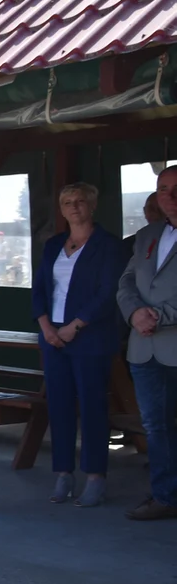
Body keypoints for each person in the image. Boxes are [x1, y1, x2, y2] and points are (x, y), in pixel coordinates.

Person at [31, 183, 121, 507]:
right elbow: (39, 288)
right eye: (67, 202)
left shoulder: (108, 245)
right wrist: (46, 326)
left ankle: (95, 475)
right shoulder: (54, 244)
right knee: (59, 406)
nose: (74, 206)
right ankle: (63, 473)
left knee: (93, 406)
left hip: (90, 338)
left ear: (92, 206)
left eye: (80, 201)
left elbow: (108, 293)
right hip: (53, 339)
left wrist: (75, 326)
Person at [117, 165, 177, 521]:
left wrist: (158, 316)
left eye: (176, 188)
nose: (170, 196)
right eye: (163, 189)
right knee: (156, 426)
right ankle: (164, 496)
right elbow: (125, 283)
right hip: (144, 349)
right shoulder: (147, 235)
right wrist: (134, 313)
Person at [122, 192, 161, 264]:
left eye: (160, 209)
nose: (156, 213)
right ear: (145, 212)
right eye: (151, 209)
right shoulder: (127, 246)